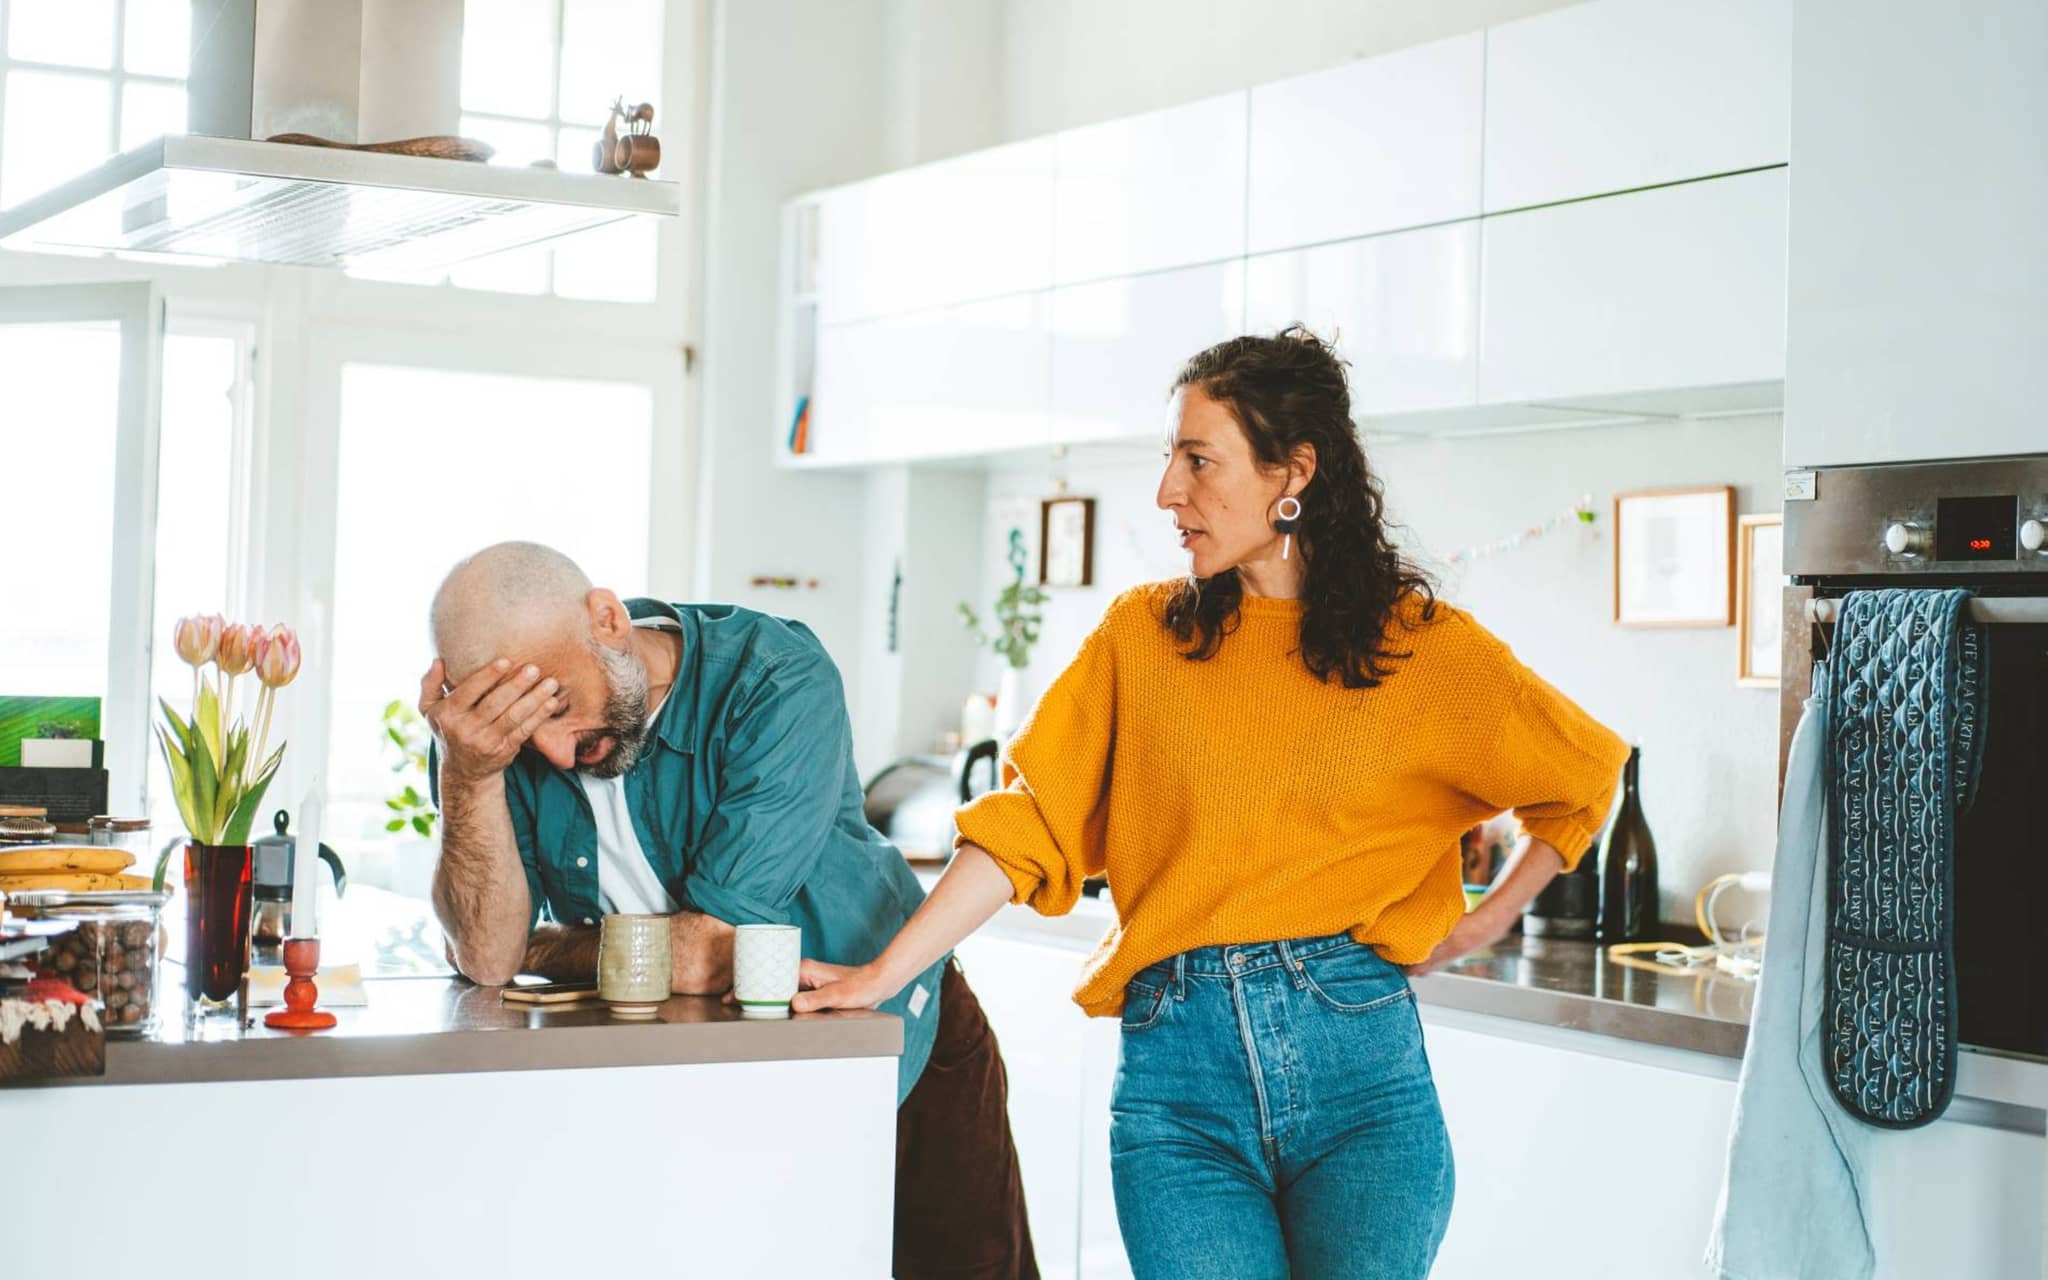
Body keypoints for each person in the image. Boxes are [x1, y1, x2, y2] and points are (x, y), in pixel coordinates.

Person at [797, 329, 1630, 1279]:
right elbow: (1028, 822)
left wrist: (1486, 923)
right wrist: (886, 974)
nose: (1167, 492)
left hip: (1362, 1082)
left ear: (1293, 472)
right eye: (1170, 459)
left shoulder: (1420, 647)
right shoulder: (1142, 639)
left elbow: (1581, 778)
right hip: (1177, 1089)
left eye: (1199, 460)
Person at [420, 541, 1037, 1279]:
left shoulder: (773, 678)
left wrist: (549, 948)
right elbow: (489, 956)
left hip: (889, 1048)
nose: (552, 752)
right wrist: (471, 774)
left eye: (559, 707)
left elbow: (710, 951)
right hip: (704, 1084)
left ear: (609, 621)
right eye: (523, 732)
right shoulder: (485, 741)